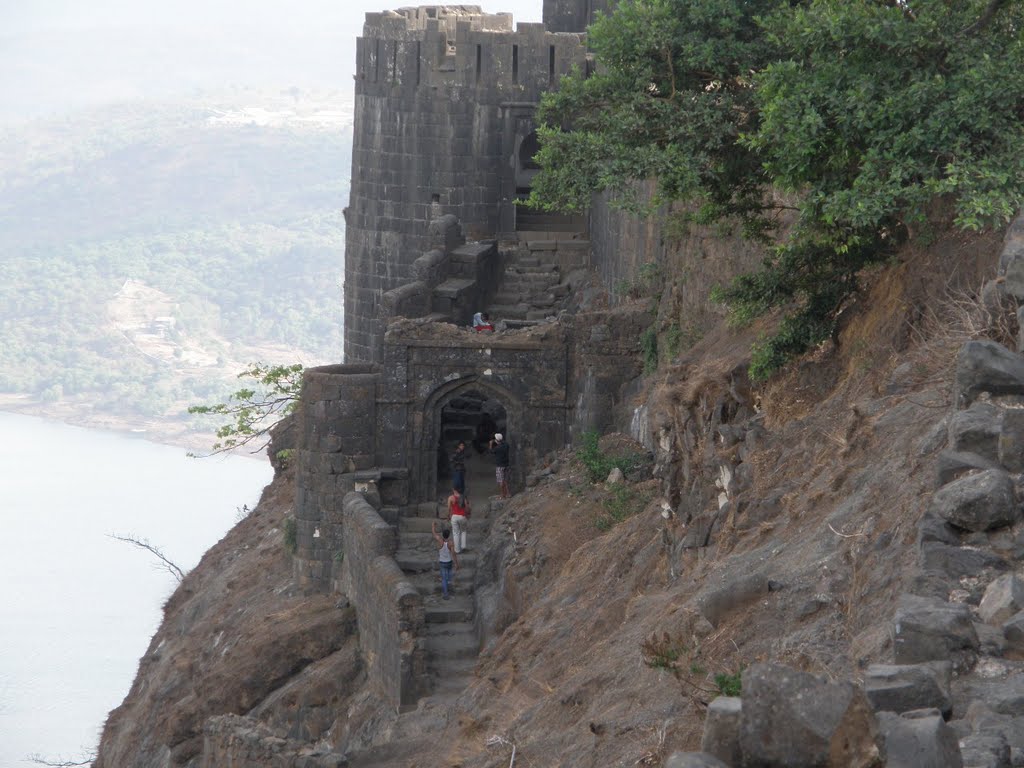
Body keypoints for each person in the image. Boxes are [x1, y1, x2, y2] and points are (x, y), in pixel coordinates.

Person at [431, 520, 459, 599]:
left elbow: (434, 533)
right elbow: (453, 554)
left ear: (443, 535)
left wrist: (433, 526)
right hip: (449, 562)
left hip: (442, 562)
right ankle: (448, 582)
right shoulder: (451, 543)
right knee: (448, 576)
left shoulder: (440, 541)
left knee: (443, 579)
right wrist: (456, 563)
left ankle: (445, 594)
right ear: (449, 535)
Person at [447, 486, 471, 553]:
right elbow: (467, 508)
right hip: (462, 516)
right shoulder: (463, 497)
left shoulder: (450, 498)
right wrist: (468, 514)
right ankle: (463, 547)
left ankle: (457, 550)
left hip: (454, 517)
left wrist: (448, 516)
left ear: (453, 489)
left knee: (456, 533)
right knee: (463, 531)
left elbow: (449, 508)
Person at [488, 432, 511, 499]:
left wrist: (490, 444)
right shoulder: (506, 445)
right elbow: (503, 443)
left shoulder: (497, 448)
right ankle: (508, 494)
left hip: (500, 466)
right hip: (506, 465)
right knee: (506, 480)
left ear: (497, 440)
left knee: (501, 481)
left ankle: (502, 495)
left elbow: (491, 451)